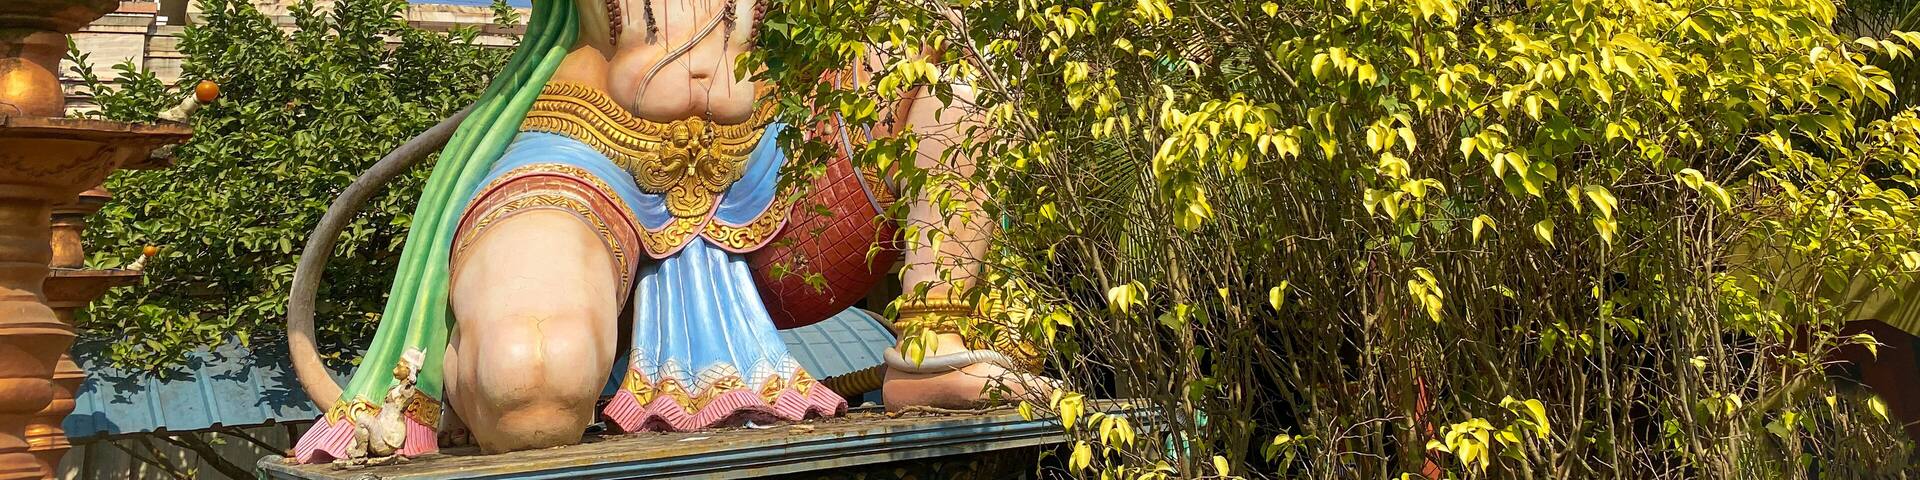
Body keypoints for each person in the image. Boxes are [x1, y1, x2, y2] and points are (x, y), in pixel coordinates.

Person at [286, 0, 1049, 462]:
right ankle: (456, 388)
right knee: (529, 381)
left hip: (773, 162)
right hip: (588, 148)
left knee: (969, 63)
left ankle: (932, 342)